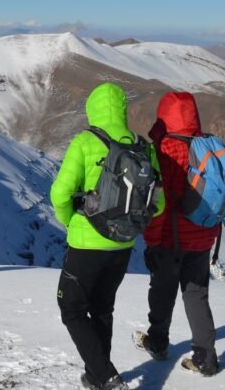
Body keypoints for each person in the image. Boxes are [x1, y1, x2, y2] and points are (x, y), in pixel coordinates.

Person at [50, 82, 163, 390]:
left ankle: (108, 377)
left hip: (87, 243)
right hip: (123, 244)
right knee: (102, 308)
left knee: (71, 308)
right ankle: (96, 376)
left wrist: (71, 223)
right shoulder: (142, 147)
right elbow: (159, 202)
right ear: (123, 110)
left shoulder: (86, 141)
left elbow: (59, 193)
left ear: (93, 108)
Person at [135, 91, 220, 376]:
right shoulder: (207, 146)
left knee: (162, 292)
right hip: (204, 235)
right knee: (196, 295)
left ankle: (158, 343)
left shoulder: (164, 150)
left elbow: (159, 204)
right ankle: (206, 357)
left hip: (171, 240)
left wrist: (152, 241)